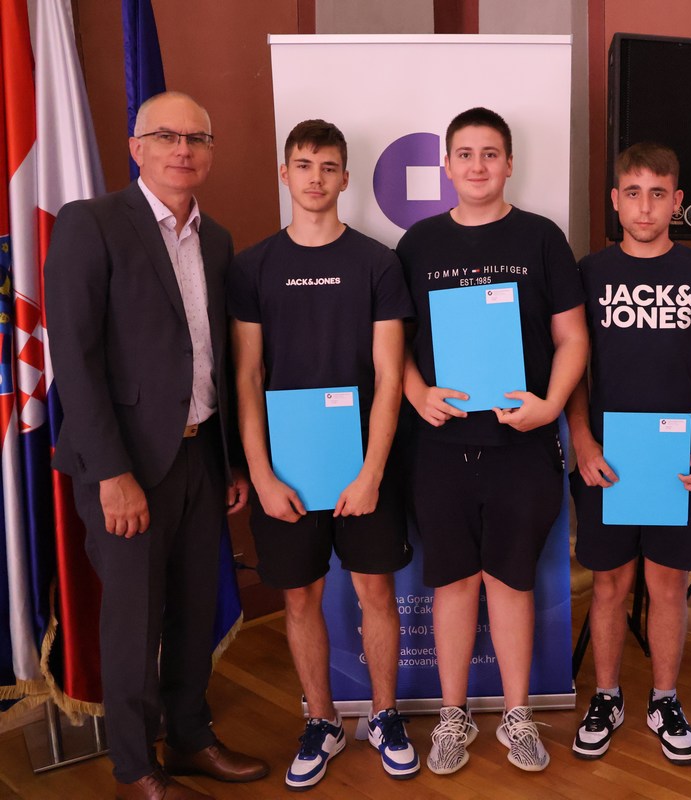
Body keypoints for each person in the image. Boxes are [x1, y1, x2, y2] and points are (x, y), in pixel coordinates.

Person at [43, 91, 268, 800]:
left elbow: (215, 358)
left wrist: (229, 462)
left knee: (195, 609)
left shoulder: (217, 239)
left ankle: (191, 737)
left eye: (197, 138)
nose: (183, 149)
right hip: (127, 466)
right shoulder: (91, 224)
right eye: (167, 136)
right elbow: (74, 358)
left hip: (200, 457)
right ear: (136, 147)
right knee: (135, 622)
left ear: (210, 152)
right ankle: (135, 766)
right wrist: (112, 473)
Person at [395, 107, 588, 774]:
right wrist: (417, 393)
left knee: (510, 582)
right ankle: (453, 717)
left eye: (490, 153)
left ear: (509, 164)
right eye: (465, 154)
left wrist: (551, 406)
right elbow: (393, 345)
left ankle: (516, 715)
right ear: (445, 165)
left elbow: (572, 338)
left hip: (522, 446)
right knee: (452, 582)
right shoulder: (418, 244)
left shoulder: (542, 238)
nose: (477, 165)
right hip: (439, 448)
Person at [229, 120, 416, 790]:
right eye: (304, 165)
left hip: (364, 467)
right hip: (287, 470)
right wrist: (261, 474)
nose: (315, 178)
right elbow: (248, 376)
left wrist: (371, 473)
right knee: (301, 596)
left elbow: (390, 376)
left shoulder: (377, 262)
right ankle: (322, 721)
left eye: (328, 166)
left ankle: (385, 717)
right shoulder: (251, 267)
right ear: (286, 174)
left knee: (375, 592)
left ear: (344, 178)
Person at [566, 142, 691, 765]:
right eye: (632, 193)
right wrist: (582, 439)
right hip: (607, 457)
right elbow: (574, 366)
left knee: (666, 582)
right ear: (615, 200)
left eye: (657, 194)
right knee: (609, 583)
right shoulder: (589, 273)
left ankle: (664, 699)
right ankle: (607, 696)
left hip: (676, 459)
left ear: (676, 202)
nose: (644, 207)